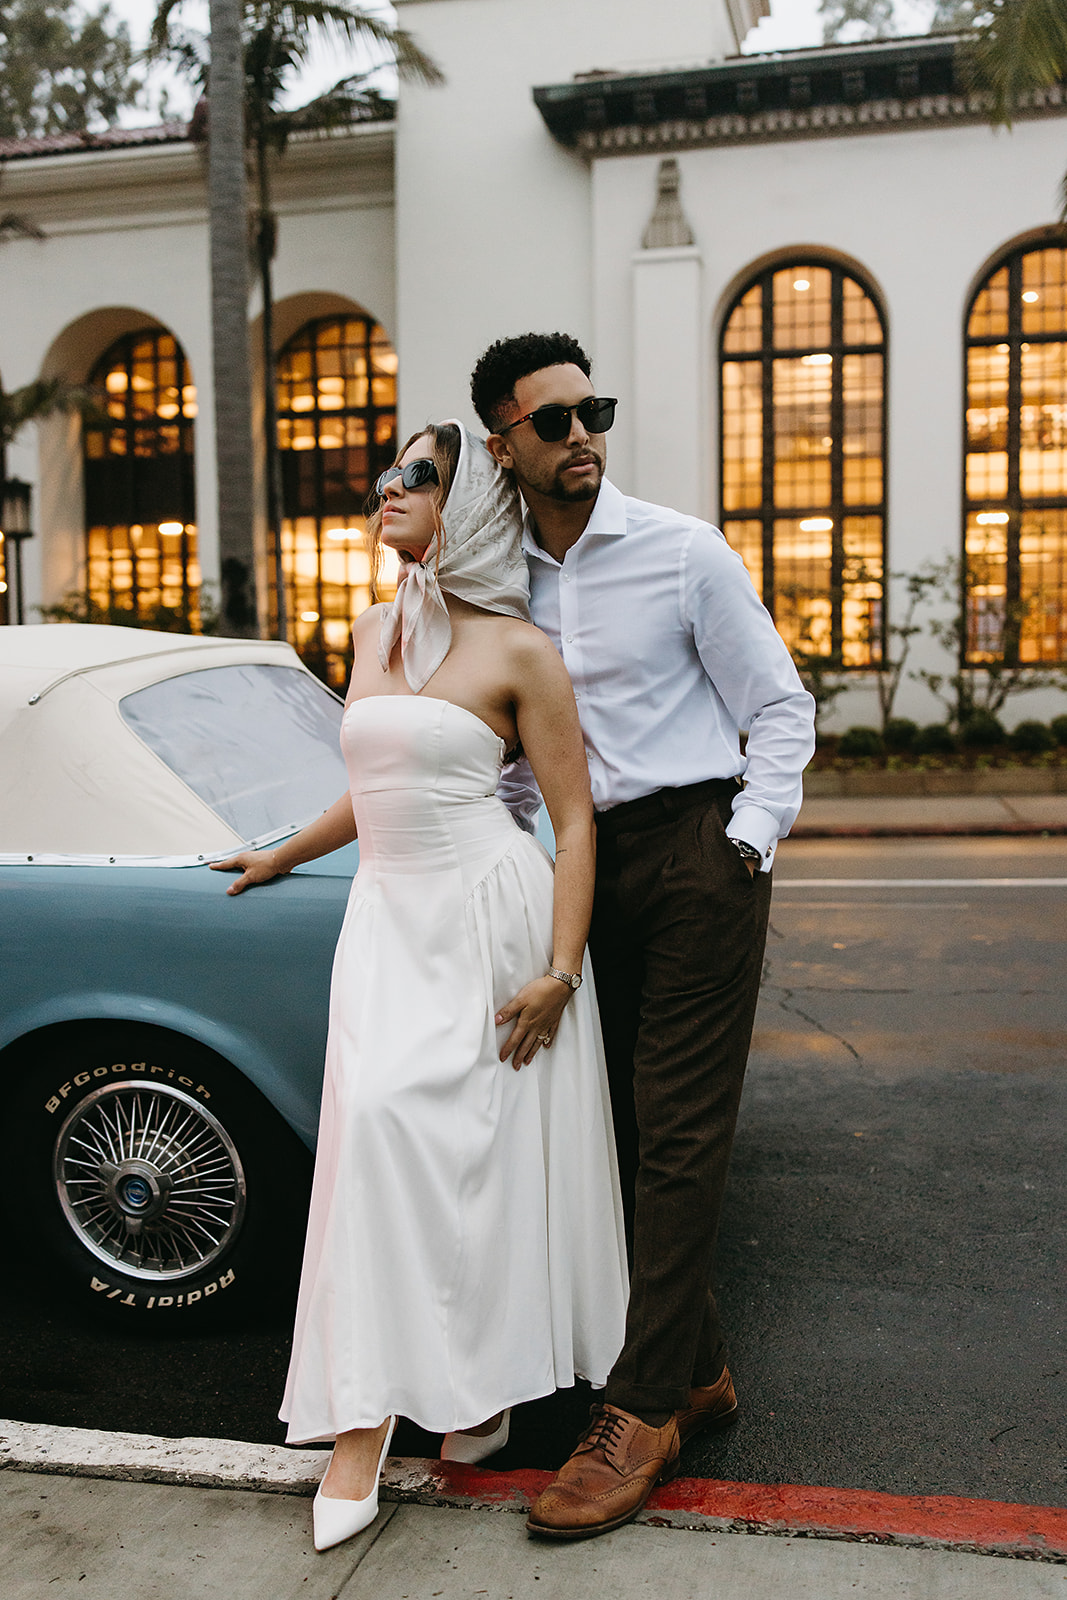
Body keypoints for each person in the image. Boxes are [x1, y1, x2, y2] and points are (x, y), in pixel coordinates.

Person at [212, 421, 628, 1552]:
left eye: (418, 477)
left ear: (471, 508)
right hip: (384, 925)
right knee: (385, 1141)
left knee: (471, 1163)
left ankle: (429, 1406)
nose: (386, 488)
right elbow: (374, 776)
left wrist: (558, 967)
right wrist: (282, 852)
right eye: (386, 473)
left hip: (491, 921)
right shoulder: (370, 627)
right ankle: (396, 1408)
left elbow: (574, 818)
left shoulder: (518, 652)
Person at [470, 334, 817, 1541]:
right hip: (578, 872)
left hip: (693, 854)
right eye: (552, 423)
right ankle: (702, 1368)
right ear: (502, 442)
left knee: (674, 1129)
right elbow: (513, 755)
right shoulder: (499, 584)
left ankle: (642, 1407)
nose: (580, 439)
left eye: (591, 413)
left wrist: (746, 840)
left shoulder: (678, 550)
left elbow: (777, 706)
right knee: (612, 1128)